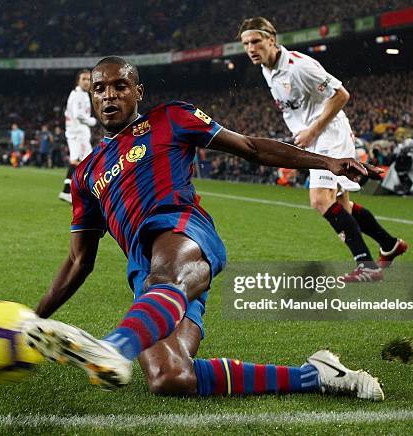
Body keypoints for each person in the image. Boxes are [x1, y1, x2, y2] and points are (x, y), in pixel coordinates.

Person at [23, 56, 384, 401]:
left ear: (138, 92)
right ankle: (316, 374)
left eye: (120, 86)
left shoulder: (172, 117)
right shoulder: (87, 171)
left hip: (181, 229)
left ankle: (114, 346)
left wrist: (327, 162)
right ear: (91, 96)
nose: (109, 95)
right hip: (145, 271)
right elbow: (78, 261)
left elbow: (251, 148)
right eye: (100, 88)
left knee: (163, 278)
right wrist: (32, 322)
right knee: (170, 376)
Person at [238, 17, 407, 281]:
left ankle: (367, 266)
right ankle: (390, 244)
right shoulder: (267, 70)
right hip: (313, 138)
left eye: (256, 41)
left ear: (271, 39)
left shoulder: (299, 66)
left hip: (330, 135)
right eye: (246, 43)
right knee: (342, 205)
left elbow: (341, 95)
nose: (250, 48)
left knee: (319, 200)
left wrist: (313, 130)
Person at [59, 69, 97, 202]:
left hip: (77, 131)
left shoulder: (81, 94)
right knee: (88, 161)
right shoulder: (77, 95)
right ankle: (85, 192)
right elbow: (77, 115)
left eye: (88, 79)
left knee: (77, 161)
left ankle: (67, 190)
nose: (87, 82)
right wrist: (91, 121)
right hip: (78, 131)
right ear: (78, 81)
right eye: (84, 79)